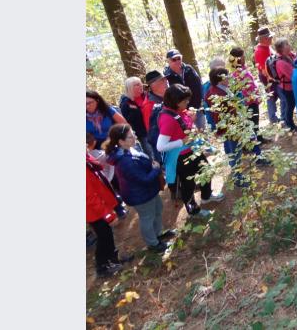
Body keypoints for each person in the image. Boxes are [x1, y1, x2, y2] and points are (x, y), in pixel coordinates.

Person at [104, 124, 174, 253]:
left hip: (148, 191)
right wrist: (156, 169)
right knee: (147, 217)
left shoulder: (129, 149)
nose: (135, 137)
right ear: (121, 141)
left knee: (158, 209)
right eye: (131, 136)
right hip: (140, 195)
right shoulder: (125, 161)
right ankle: (153, 244)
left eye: (134, 134)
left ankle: (158, 234)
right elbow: (143, 179)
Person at [157, 84, 224, 216]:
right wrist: (181, 141)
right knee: (188, 185)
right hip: (182, 157)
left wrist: (191, 120)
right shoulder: (167, 119)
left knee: (207, 170)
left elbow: (184, 127)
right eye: (185, 101)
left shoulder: (179, 111)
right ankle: (193, 211)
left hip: (193, 150)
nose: (187, 103)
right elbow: (160, 146)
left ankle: (206, 196)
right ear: (175, 102)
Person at [205, 68, 268, 188]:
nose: (230, 78)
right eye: (227, 76)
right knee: (234, 152)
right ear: (221, 79)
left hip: (239, 123)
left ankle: (259, 157)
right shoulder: (216, 94)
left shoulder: (222, 89)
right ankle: (237, 178)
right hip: (231, 128)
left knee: (251, 139)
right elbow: (220, 115)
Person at [87, 151, 132, 277]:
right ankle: (102, 266)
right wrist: (108, 215)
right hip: (95, 212)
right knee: (103, 237)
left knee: (108, 234)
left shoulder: (87, 158)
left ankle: (113, 258)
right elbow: (90, 198)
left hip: (102, 206)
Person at [163, 49, 206, 130]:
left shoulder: (189, 69)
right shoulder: (167, 76)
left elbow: (199, 84)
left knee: (203, 132)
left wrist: (201, 102)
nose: (177, 61)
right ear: (168, 61)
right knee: (189, 135)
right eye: (174, 59)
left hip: (197, 107)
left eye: (178, 58)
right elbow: (170, 96)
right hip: (182, 112)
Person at [119, 77, 154, 158]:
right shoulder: (126, 103)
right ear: (130, 88)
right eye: (137, 85)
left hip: (153, 128)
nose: (141, 85)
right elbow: (125, 121)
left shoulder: (147, 96)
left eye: (140, 83)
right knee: (150, 152)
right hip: (142, 133)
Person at [253, 28, 280, 124]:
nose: (272, 39)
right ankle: (273, 118)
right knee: (271, 96)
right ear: (265, 39)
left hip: (273, 77)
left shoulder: (267, 47)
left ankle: (274, 117)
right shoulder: (260, 51)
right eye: (270, 37)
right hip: (268, 78)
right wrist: (273, 79)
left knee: (274, 96)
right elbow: (264, 69)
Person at [141, 70, 169, 164]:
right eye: (162, 80)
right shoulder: (149, 106)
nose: (166, 81)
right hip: (166, 146)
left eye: (165, 79)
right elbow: (152, 131)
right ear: (153, 85)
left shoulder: (168, 96)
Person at [273, 38, 297, 131]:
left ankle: (290, 123)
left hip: (293, 86)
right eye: (286, 44)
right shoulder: (280, 62)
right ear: (281, 48)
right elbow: (292, 74)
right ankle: (290, 124)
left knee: (292, 104)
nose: (289, 45)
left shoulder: (290, 55)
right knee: (290, 105)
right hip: (287, 88)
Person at [201, 58, 226, 131]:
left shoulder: (228, 83)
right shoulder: (207, 87)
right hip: (219, 123)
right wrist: (213, 125)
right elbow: (207, 107)